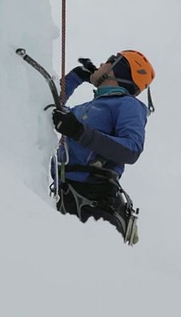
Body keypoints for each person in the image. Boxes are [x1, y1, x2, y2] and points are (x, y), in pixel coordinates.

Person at [51, 50, 155, 245]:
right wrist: (77, 76)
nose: (100, 64)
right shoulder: (83, 109)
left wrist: (80, 132)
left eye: (108, 61)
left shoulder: (128, 105)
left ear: (118, 71)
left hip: (95, 204)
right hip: (66, 197)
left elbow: (131, 148)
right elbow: (48, 106)